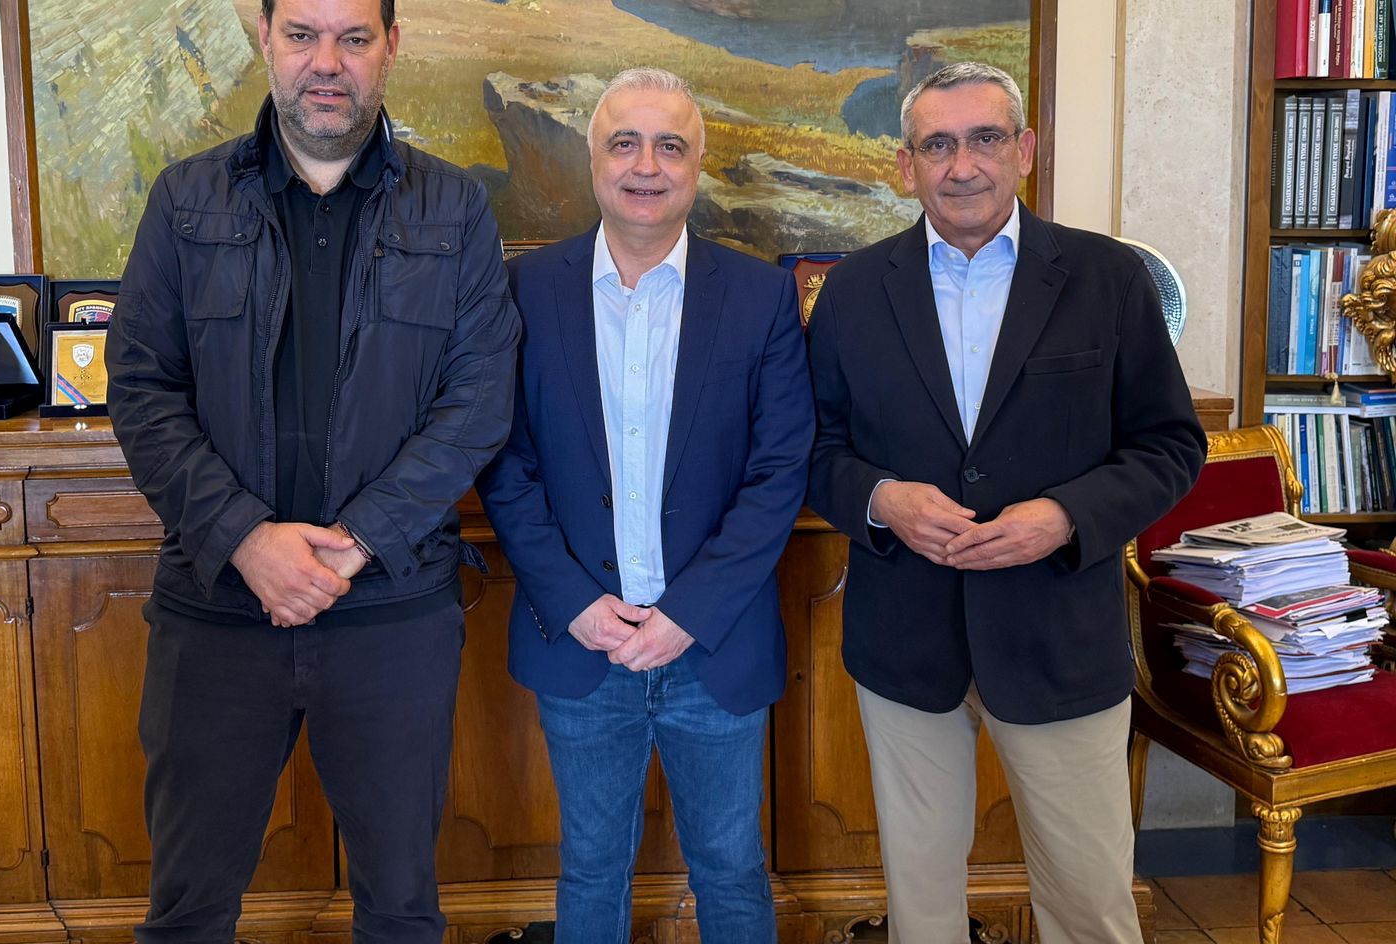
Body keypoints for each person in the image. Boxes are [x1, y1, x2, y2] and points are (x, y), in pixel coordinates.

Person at [105, 0, 520, 944]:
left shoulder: (457, 210)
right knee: (186, 913)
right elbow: (142, 388)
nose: (325, 63)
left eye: (352, 38)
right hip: (216, 610)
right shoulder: (186, 201)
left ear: (390, 45)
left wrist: (359, 541)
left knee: (400, 911)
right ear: (265, 37)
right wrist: (248, 540)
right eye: (302, 35)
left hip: (390, 613)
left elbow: (478, 400)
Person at [806, 61, 1206, 942]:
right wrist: (883, 499)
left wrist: (1064, 517)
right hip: (906, 645)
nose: (963, 166)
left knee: (1090, 905)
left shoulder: (1108, 278)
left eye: (985, 138)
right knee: (921, 908)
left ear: (1024, 149)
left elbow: (1171, 446)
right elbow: (817, 449)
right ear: (904, 165)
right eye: (937, 145)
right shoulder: (852, 291)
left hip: (1059, 637)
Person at [476, 68, 812, 943]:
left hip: (715, 645)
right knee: (590, 869)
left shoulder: (760, 297)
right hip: (582, 642)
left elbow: (779, 471)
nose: (646, 166)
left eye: (670, 146)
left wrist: (688, 615)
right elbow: (505, 464)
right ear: (592, 158)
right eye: (624, 143)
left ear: (698, 164)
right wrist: (575, 604)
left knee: (732, 870)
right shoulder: (524, 291)